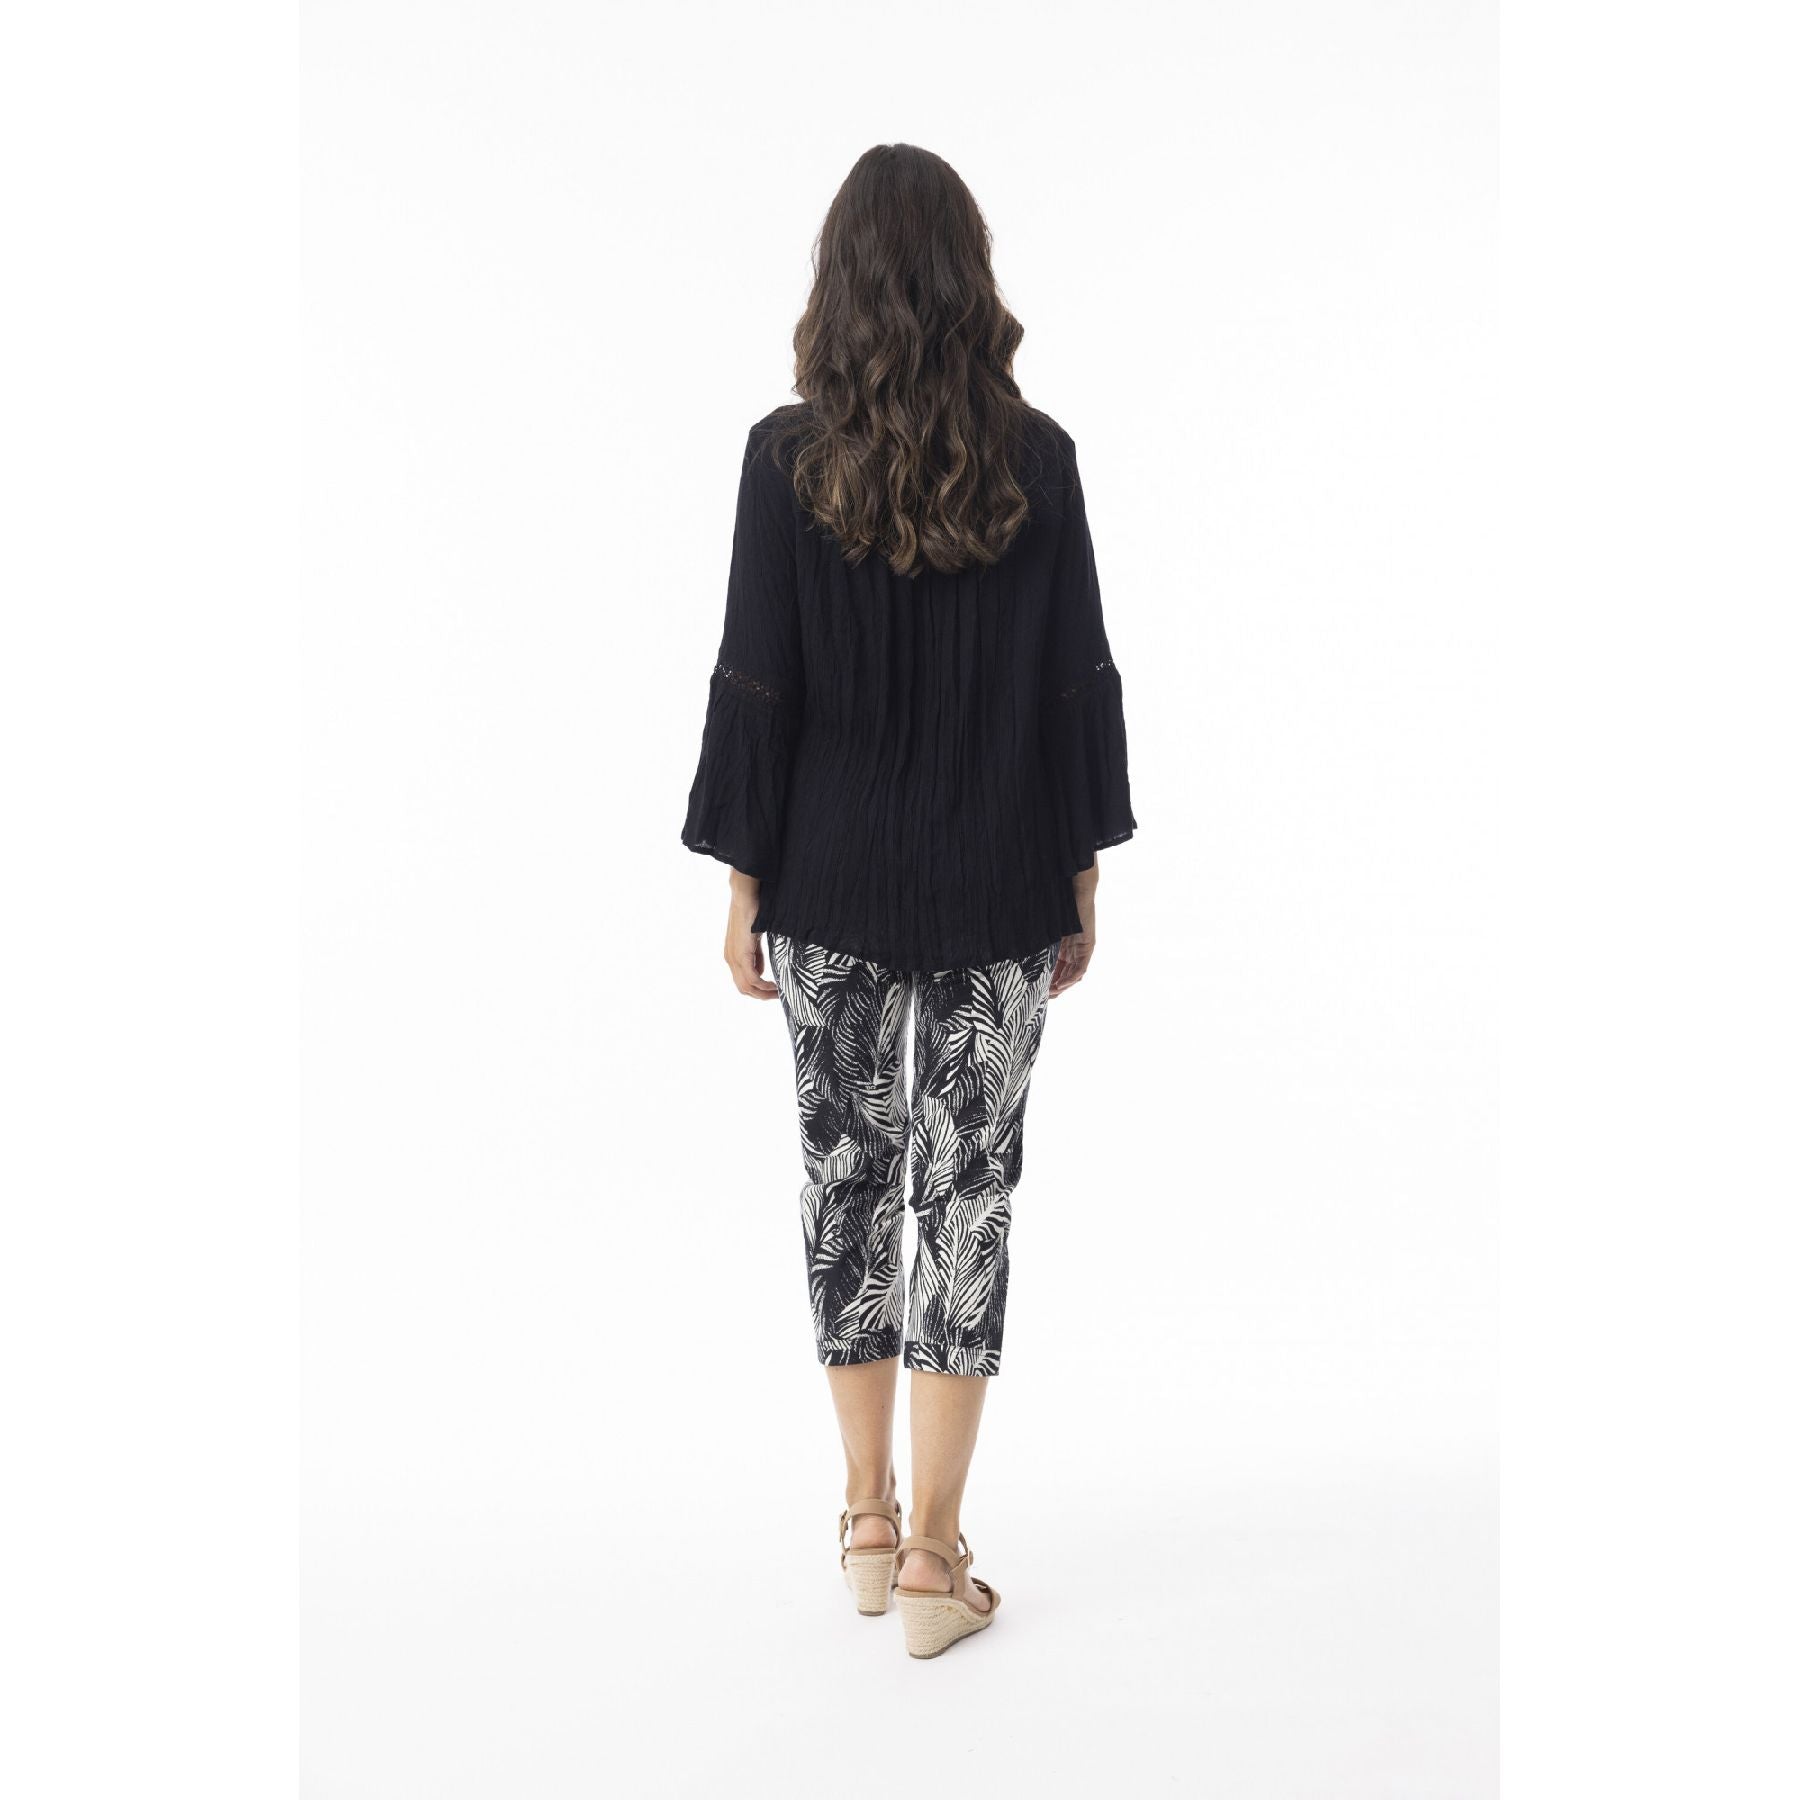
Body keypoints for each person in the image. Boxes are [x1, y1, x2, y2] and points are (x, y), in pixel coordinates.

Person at [680, 143, 1136, 1659]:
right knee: (968, 1195)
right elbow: (1073, 678)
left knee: (847, 1183)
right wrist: (1080, 867)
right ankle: (938, 1555)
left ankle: (867, 1518)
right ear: (968, 279)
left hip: (827, 879)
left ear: (840, 283)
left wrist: (745, 879)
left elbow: (758, 678)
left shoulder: (784, 458)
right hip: (1000, 875)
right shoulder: (1039, 459)